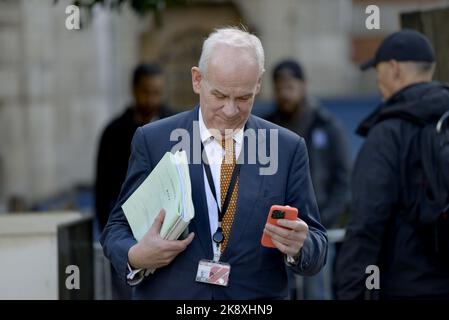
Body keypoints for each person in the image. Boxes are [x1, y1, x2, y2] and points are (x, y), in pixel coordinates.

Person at [100, 27, 327, 299]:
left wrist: (301, 246)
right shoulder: (153, 140)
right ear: (197, 80)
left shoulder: (287, 148)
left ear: (258, 84)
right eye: (219, 96)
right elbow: (116, 229)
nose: (230, 111)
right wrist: (136, 255)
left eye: (244, 98)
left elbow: (317, 244)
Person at [336, 29, 449, 299]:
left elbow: (366, 223)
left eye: (379, 71)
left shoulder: (388, 132)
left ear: (395, 69)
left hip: (406, 286)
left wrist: (351, 291)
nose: (378, 81)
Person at [268, 60, 350, 299]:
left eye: (290, 87)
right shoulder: (266, 127)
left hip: (317, 232)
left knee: (315, 292)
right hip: (276, 231)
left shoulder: (327, 125)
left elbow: (343, 179)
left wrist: (321, 222)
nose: (285, 94)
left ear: (303, 86)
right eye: (279, 87)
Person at [95, 63, 172, 299]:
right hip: (127, 232)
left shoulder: (175, 126)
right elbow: (103, 189)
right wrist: (114, 238)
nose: (151, 99)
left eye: (157, 92)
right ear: (134, 90)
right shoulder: (114, 132)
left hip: (168, 231)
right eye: (145, 92)